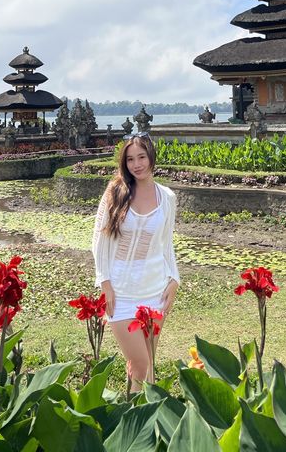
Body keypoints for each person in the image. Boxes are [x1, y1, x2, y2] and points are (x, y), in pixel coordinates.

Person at [92, 133, 180, 391]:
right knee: (140, 364)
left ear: (151, 157)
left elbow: (167, 243)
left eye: (141, 157)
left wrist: (174, 279)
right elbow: (98, 241)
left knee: (148, 365)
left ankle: (145, 424)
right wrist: (104, 282)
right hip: (121, 292)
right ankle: (135, 421)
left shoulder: (167, 198)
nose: (137, 164)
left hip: (155, 290)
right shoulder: (115, 193)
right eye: (130, 159)